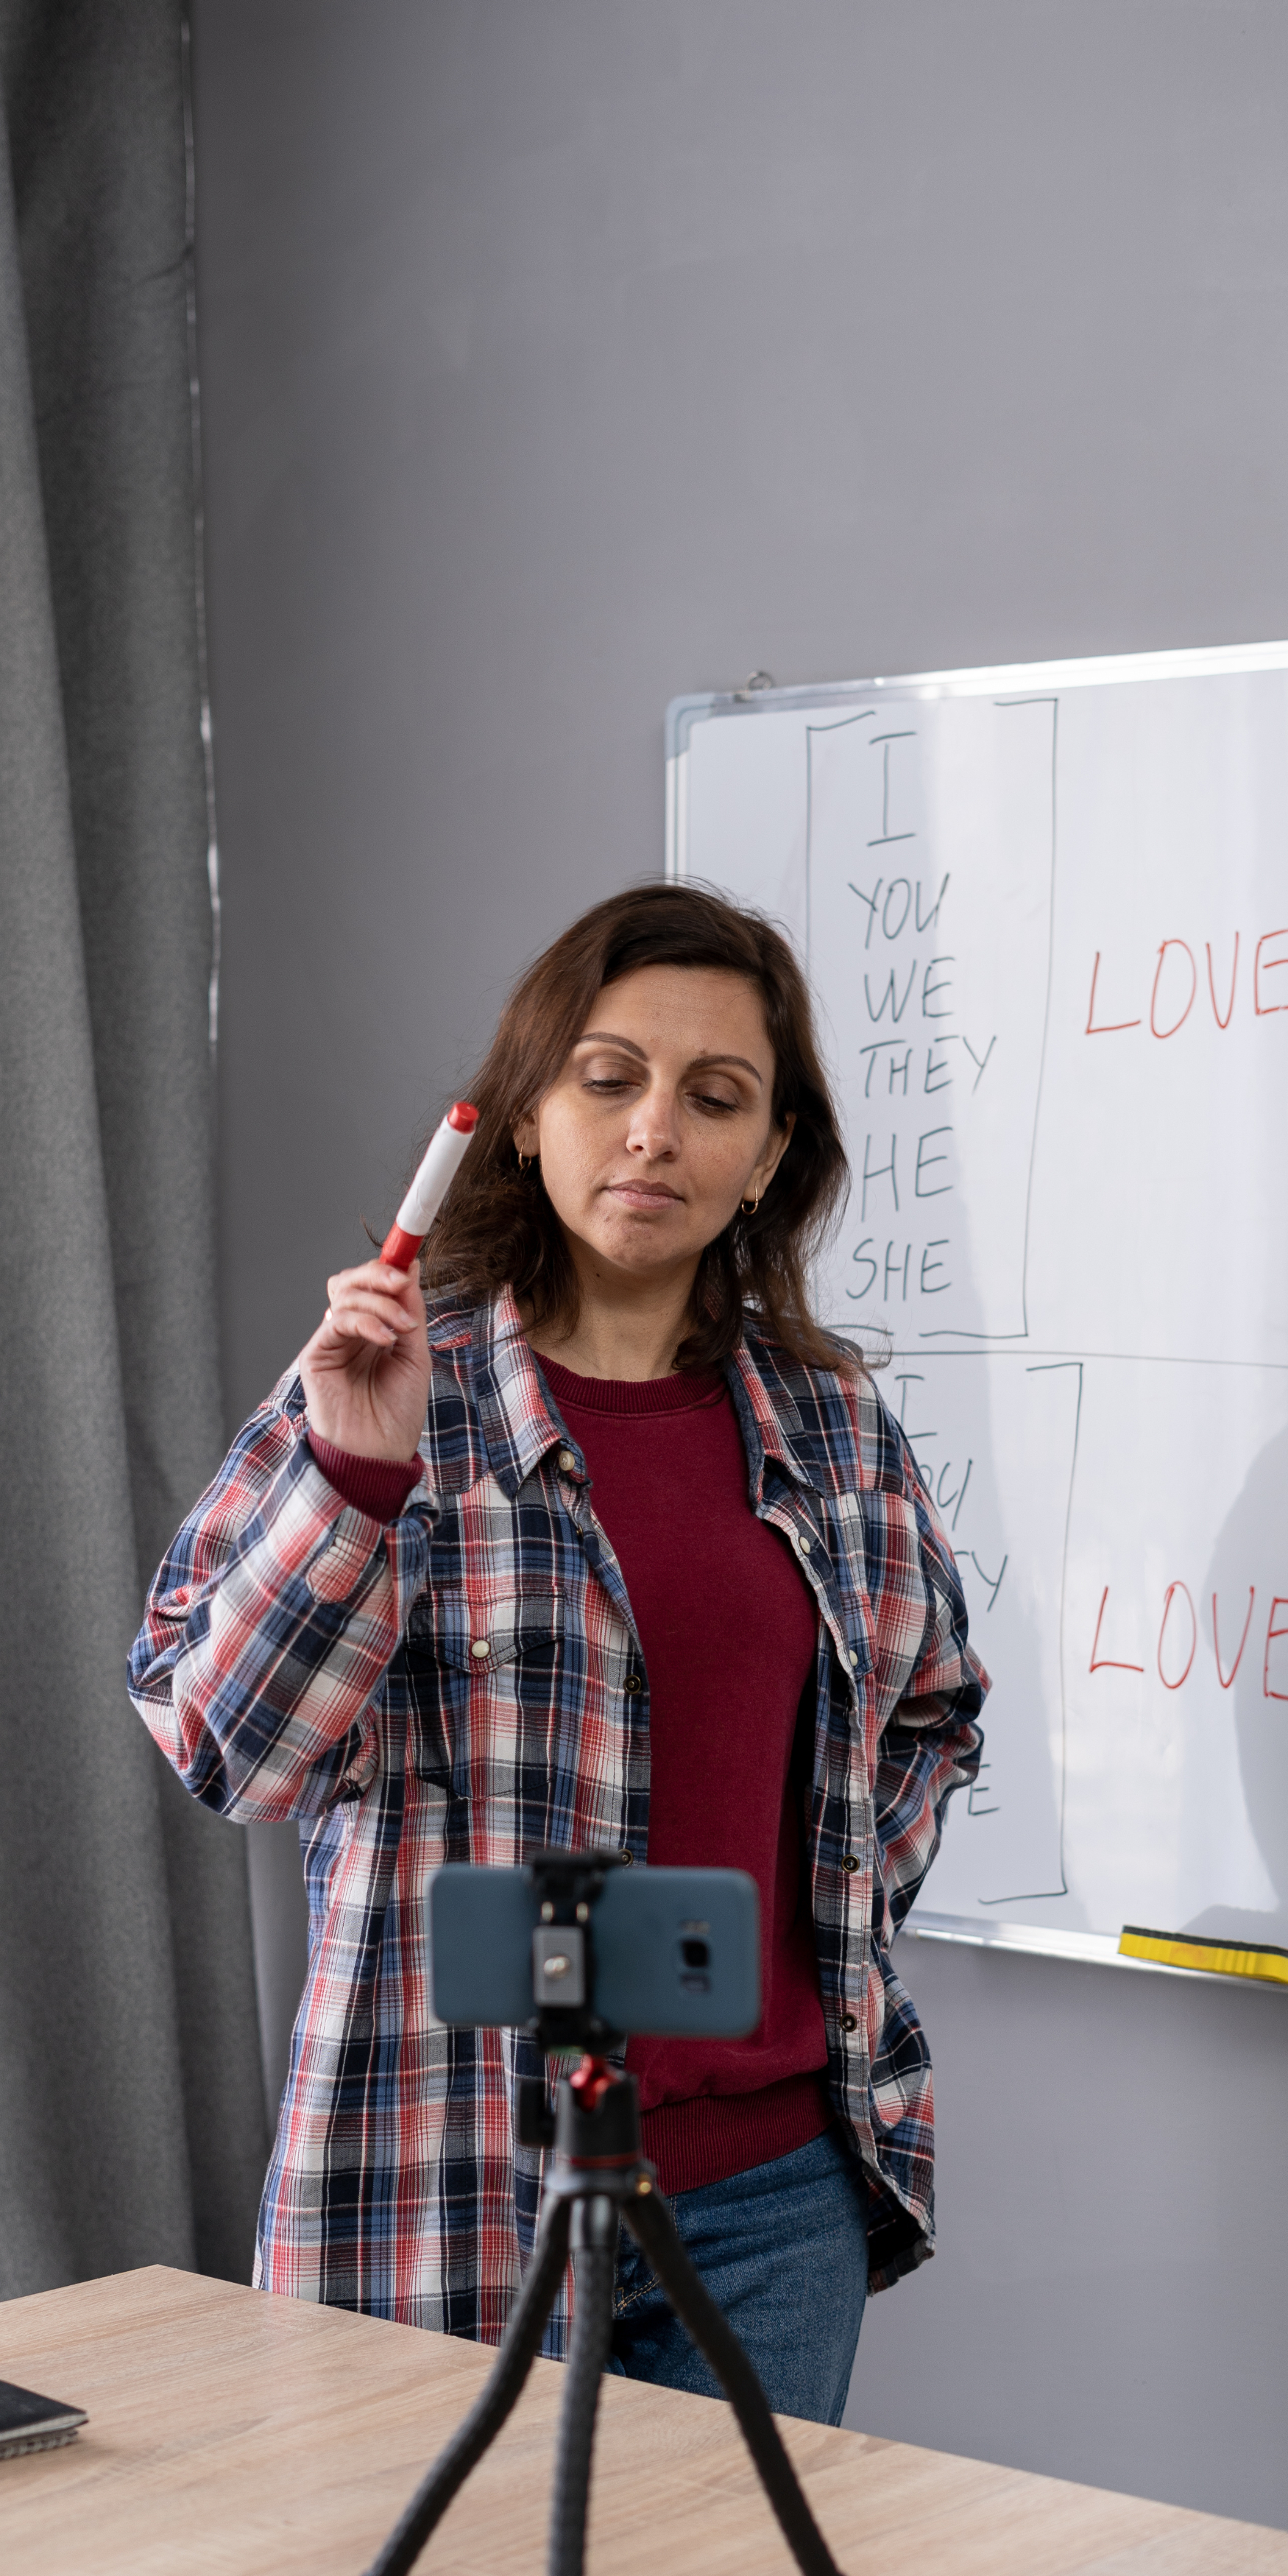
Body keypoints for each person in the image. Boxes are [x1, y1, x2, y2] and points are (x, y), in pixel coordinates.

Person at [128, 882, 986, 2425]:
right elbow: (226, 1750)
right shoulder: (391, 1388)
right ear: (523, 1115)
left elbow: (929, 1709)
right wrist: (355, 1480)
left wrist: (824, 1923)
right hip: (446, 2180)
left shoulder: (834, 1424)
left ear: (767, 1157)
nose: (654, 1129)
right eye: (608, 1078)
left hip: (767, 2201)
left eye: (714, 1096)